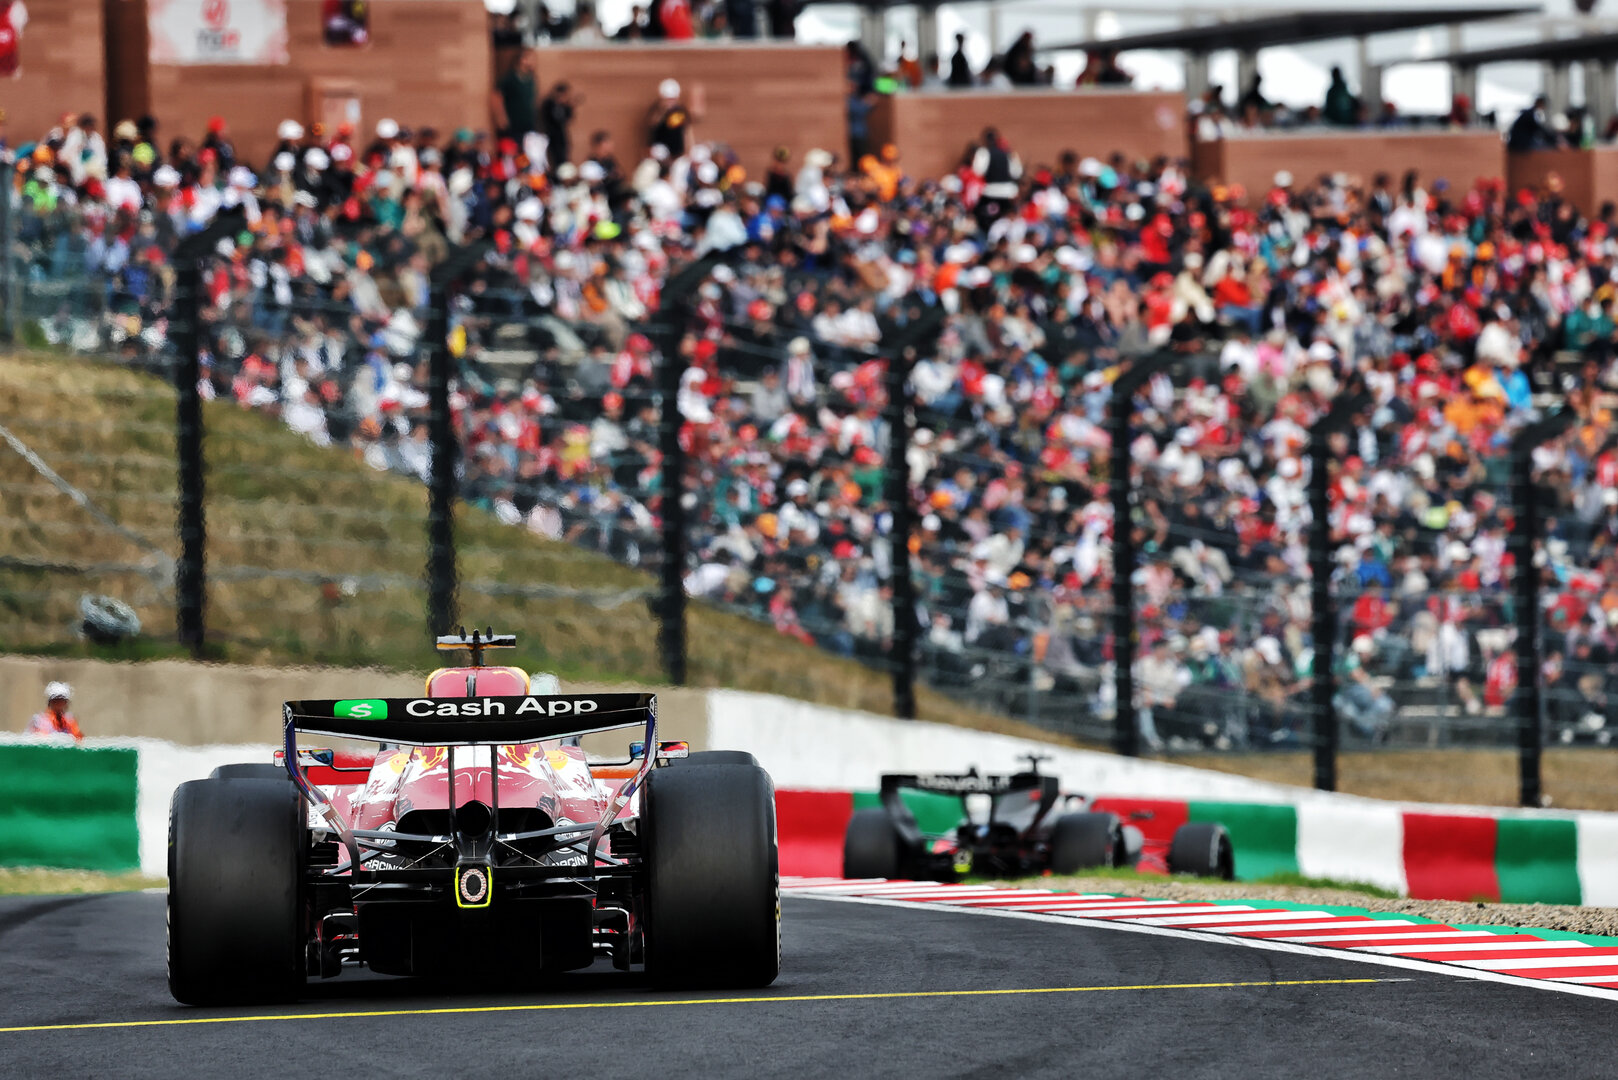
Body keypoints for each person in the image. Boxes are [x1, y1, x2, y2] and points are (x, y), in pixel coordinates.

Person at [499, 52, 540, 141]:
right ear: (522, 60)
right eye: (530, 59)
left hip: (528, 122)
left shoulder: (531, 78)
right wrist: (501, 117)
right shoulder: (511, 78)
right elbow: (497, 95)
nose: (532, 62)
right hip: (514, 123)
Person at [539, 81, 578, 171]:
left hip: (561, 135)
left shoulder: (564, 106)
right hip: (551, 135)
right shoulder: (549, 104)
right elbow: (552, 118)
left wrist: (569, 107)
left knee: (563, 157)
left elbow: (568, 118)